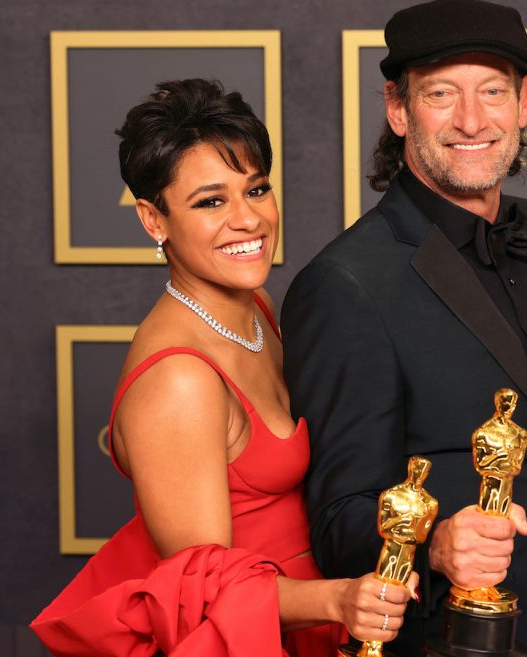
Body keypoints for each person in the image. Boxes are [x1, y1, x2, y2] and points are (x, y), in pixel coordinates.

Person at [281, 1, 527, 654]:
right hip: (456, 640)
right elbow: (337, 520)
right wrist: (435, 543)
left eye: (492, 90)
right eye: (442, 93)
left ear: (522, 101)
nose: (472, 119)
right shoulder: (346, 284)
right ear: (398, 108)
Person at [31, 79, 414, 657]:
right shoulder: (179, 379)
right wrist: (336, 601)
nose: (247, 219)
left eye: (256, 190)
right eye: (211, 201)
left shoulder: (253, 307)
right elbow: (204, 593)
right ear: (152, 220)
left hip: (316, 617)